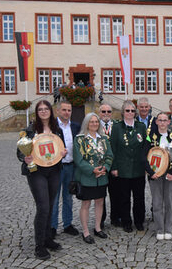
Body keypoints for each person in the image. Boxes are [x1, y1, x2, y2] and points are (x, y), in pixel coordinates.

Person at [16, 100, 67, 260]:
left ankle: (47, 239)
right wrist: (25, 157)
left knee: (51, 205)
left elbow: (61, 147)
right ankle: (39, 246)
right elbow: (19, 152)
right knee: (43, 207)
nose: (44, 111)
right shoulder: (30, 130)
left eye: (46, 109)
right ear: (37, 112)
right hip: (36, 172)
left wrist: (63, 153)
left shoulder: (57, 129)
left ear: (51, 111)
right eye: (40, 109)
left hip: (54, 171)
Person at [73, 113, 113, 244]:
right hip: (87, 176)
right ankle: (85, 231)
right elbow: (79, 159)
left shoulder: (104, 138)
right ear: (86, 123)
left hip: (101, 177)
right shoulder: (80, 139)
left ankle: (97, 227)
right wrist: (92, 170)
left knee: (100, 202)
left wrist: (105, 167)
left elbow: (109, 155)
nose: (94, 124)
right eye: (92, 122)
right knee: (86, 203)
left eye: (96, 122)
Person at [110, 100, 147, 232]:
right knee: (124, 198)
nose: (130, 113)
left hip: (138, 168)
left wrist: (146, 167)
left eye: (132, 110)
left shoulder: (141, 127)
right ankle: (126, 221)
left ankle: (139, 221)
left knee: (139, 198)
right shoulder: (116, 127)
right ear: (122, 112)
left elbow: (145, 148)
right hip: (123, 169)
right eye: (127, 110)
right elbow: (112, 148)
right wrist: (114, 167)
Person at [144, 112, 172, 240]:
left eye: (165, 120)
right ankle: (159, 229)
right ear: (156, 122)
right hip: (155, 174)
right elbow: (144, 156)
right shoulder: (150, 137)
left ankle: (168, 229)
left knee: (170, 203)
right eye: (160, 120)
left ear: (169, 122)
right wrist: (150, 171)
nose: (163, 123)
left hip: (170, 174)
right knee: (157, 202)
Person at [51, 101, 80, 239]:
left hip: (71, 166)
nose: (67, 112)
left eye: (69, 110)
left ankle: (68, 224)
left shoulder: (75, 126)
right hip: (56, 167)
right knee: (54, 198)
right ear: (58, 111)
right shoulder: (52, 127)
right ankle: (52, 226)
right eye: (64, 110)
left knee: (68, 197)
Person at [98, 103, 120, 228]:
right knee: (101, 194)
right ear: (99, 112)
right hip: (100, 164)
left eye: (108, 112)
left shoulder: (116, 126)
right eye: (103, 111)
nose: (106, 114)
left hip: (114, 164)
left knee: (116, 193)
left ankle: (115, 217)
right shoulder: (95, 125)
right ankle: (101, 219)